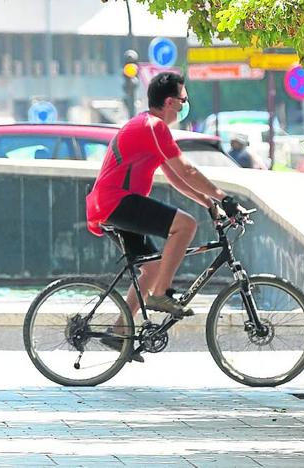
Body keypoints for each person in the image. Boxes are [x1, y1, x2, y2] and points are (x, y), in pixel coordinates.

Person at [85, 72, 230, 356]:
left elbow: (177, 178)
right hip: (118, 201)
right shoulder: (153, 126)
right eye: (183, 100)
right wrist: (224, 196)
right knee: (185, 226)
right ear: (168, 101)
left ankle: (119, 332)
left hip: (112, 203)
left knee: (151, 268)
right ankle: (161, 294)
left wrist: (210, 203)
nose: (185, 105)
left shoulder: (148, 126)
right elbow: (187, 169)